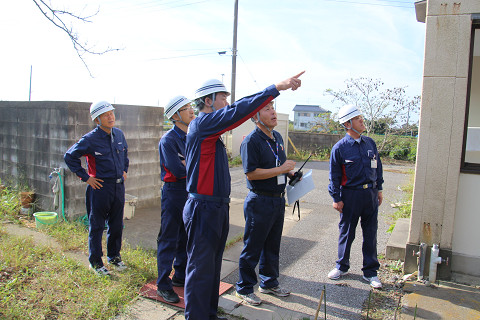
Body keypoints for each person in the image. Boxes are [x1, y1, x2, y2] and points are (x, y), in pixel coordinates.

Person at [183, 71, 304, 320]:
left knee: (213, 267)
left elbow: (235, 109)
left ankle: (208, 313)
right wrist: (276, 87)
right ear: (209, 101)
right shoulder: (203, 124)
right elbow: (238, 110)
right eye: (223, 98)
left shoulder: (210, 130)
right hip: (203, 206)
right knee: (200, 268)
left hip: (215, 207)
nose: (227, 103)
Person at [235, 101, 296, 306]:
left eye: (273, 108)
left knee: (272, 245)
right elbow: (251, 173)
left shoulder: (277, 137)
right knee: (253, 246)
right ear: (255, 117)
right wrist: (281, 170)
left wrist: (292, 173)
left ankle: (269, 282)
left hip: (278, 200)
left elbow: (281, 165)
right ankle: (244, 288)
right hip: (259, 200)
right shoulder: (251, 141)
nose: (274, 112)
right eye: (267, 109)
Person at [64, 101, 129, 276]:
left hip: (118, 187)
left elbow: (125, 155)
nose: (111, 117)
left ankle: (114, 257)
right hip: (100, 188)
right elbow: (70, 157)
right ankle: (96, 262)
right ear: (97, 119)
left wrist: (124, 171)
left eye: (112, 113)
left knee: (116, 225)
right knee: (97, 225)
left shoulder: (119, 135)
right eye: (106, 114)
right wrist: (86, 178)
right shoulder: (90, 139)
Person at [327, 104, 384, 289]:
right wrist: (336, 198)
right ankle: (341, 266)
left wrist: (380, 189)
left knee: (371, 233)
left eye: (361, 117)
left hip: (371, 194)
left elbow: (378, 167)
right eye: (358, 118)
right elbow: (334, 176)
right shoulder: (340, 148)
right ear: (348, 123)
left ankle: (371, 272)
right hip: (350, 195)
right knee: (347, 232)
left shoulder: (370, 143)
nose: (362, 120)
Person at [156, 95, 195, 303]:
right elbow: (178, 170)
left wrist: (191, 167)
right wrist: (193, 168)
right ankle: (163, 284)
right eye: (185, 108)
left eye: (190, 107)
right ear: (175, 115)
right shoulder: (168, 140)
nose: (191, 110)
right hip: (174, 192)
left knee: (186, 236)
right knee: (169, 238)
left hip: (189, 191)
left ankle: (180, 276)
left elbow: (190, 167)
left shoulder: (191, 137)